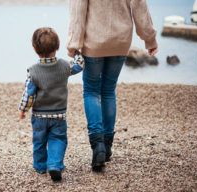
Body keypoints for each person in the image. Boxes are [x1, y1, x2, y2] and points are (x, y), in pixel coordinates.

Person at [67, 0, 158, 171]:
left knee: (91, 92)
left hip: (93, 41)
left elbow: (78, 11)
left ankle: (98, 145)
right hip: (120, 41)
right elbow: (139, 6)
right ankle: (107, 146)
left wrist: (74, 45)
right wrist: (149, 38)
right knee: (108, 91)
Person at [18, 27, 84, 182]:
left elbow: (29, 93)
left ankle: (40, 166)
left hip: (39, 116)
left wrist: (23, 109)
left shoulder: (33, 71)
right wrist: (77, 53)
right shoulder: (64, 66)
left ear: (34, 49)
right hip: (59, 115)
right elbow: (79, 65)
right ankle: (54, 165)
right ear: (58, 46)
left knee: (39, 141)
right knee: (58, 139)